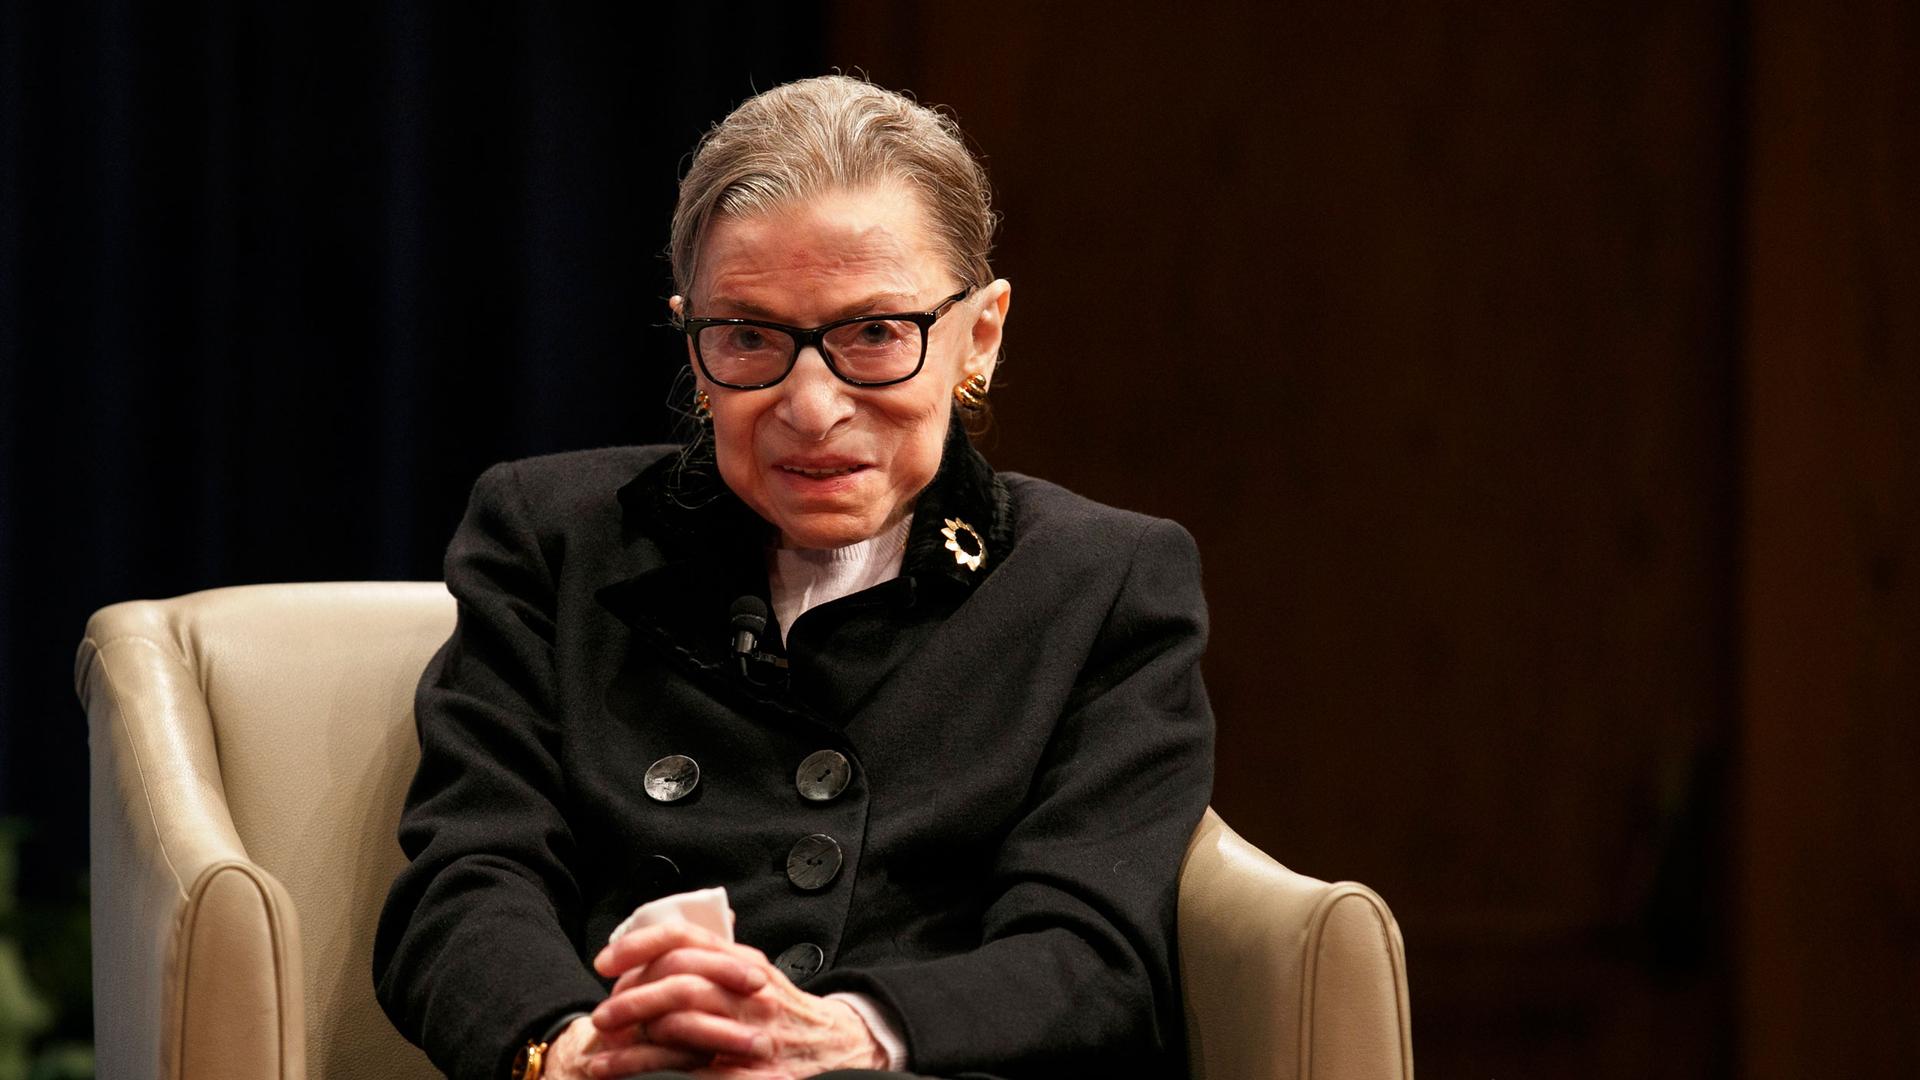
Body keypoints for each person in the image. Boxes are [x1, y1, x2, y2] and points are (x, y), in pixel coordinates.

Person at [373, 74, 1214, 1080]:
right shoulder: (549, 538)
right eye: (748, 337)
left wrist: (843, 1038)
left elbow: (1093, 954)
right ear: (693, 341)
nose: (811, 408)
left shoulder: (1105, 580)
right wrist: (573, 1048)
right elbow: (469, 876)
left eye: (873, 334)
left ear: (977, 338)